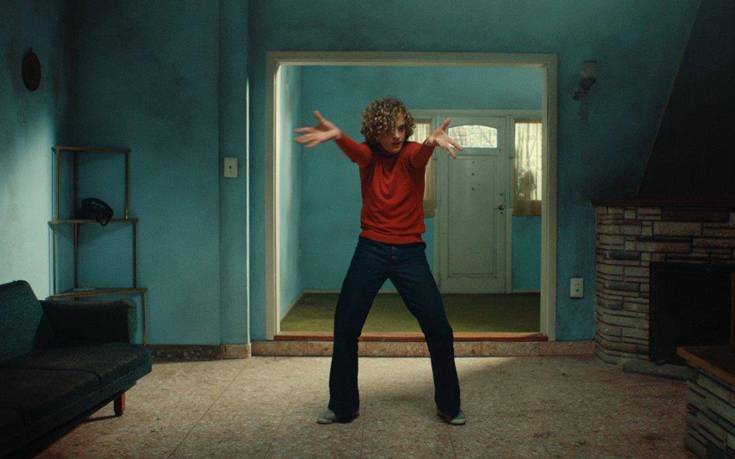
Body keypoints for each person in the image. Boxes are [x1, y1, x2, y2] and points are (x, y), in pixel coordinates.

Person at [294, 97, 466, 426]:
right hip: (371, 249)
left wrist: (430, 144)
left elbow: (418, 157)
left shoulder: (412, 153)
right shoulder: (369, 156)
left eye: (401, 128)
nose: (396, 135)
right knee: (346, 326)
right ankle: (343, 406)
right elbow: (358, 154)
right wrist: (337, 136)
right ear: (375, 131)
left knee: (439, 330)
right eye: (388, 130)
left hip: (409, 253)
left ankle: (449, 405)